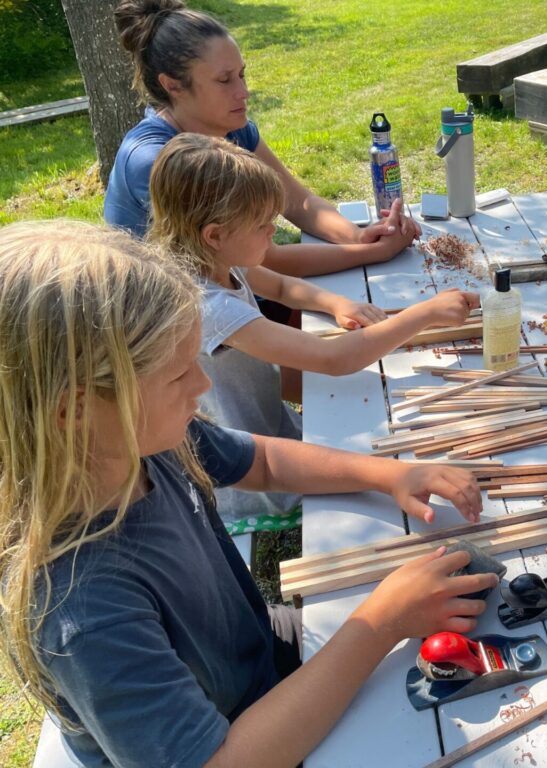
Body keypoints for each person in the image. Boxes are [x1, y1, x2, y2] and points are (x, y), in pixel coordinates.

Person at [0, 219, 494, 768]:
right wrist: (382, 623)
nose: (204, 385)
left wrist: (389, 476)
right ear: (73, 410)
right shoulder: (85, 608)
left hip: (253, 665)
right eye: (178, 373)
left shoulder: (139, 441)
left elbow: (262, 459)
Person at [148, 132, 478, 530]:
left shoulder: (215, 260)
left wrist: (337, 303)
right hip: (254, 479)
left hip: (272, 432)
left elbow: (285, 287)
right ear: (215, 234)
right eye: (261, 224)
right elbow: (333, 359)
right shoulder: (209, 306)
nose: (272, 232)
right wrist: (423, 314)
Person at [106, 0, 418, 276]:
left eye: (241, 74)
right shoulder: (157, 161)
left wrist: (359, 236)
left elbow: (297, 202)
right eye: (224, 80)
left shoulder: (232, 127)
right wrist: (375, 252)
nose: (244, 92)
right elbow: (264, 261)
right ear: (173, 85)